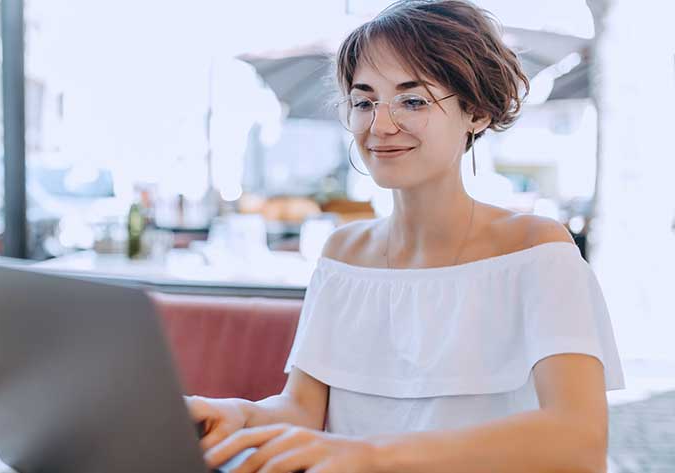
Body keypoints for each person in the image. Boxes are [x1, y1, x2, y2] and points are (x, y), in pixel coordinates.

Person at [187, 1, 625, 472]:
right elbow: (301, 411)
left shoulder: (537, 250)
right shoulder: (344, 254)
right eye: (364, 101)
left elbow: (578, 440)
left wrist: (371, 454)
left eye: (412, 100)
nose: (381, 126)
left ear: (475, 112)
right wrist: (236, 413)